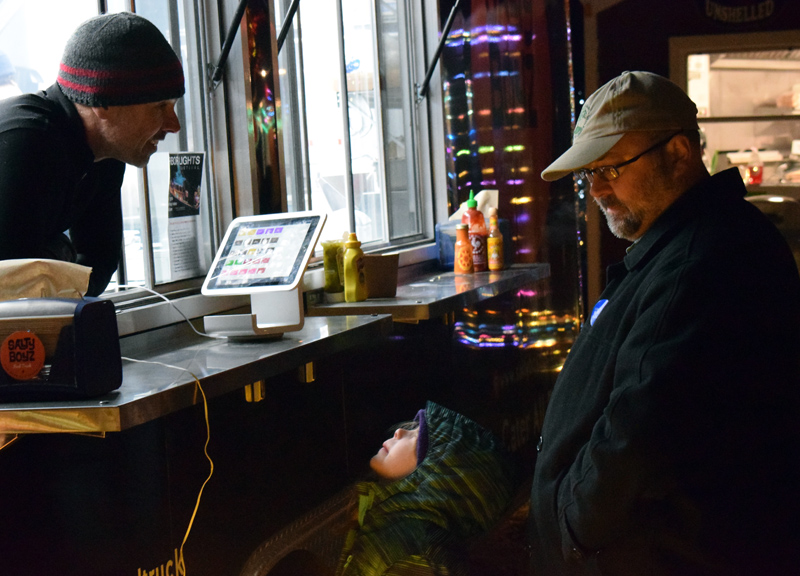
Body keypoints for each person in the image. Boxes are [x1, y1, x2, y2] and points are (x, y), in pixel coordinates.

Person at [531, 70, 800, 575]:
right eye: (589, 174)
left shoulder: (702, 262)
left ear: (679, 153)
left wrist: (570, 524)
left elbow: (639, 433)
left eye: (611, 167)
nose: (598, 190)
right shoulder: (686, 246)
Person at [0, 12, 184, 296]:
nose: (174, 125)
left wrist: (53, 258)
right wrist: (60, 257)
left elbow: (96, 268)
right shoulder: (26, 142)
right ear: (102, 101)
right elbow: (14, 291)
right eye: (160, 106)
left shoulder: (104, 153)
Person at [335, 401, 515, 576]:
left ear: (433, 477)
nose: (399, 432)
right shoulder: (392, 520)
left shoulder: (417, 558)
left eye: (415, 437)